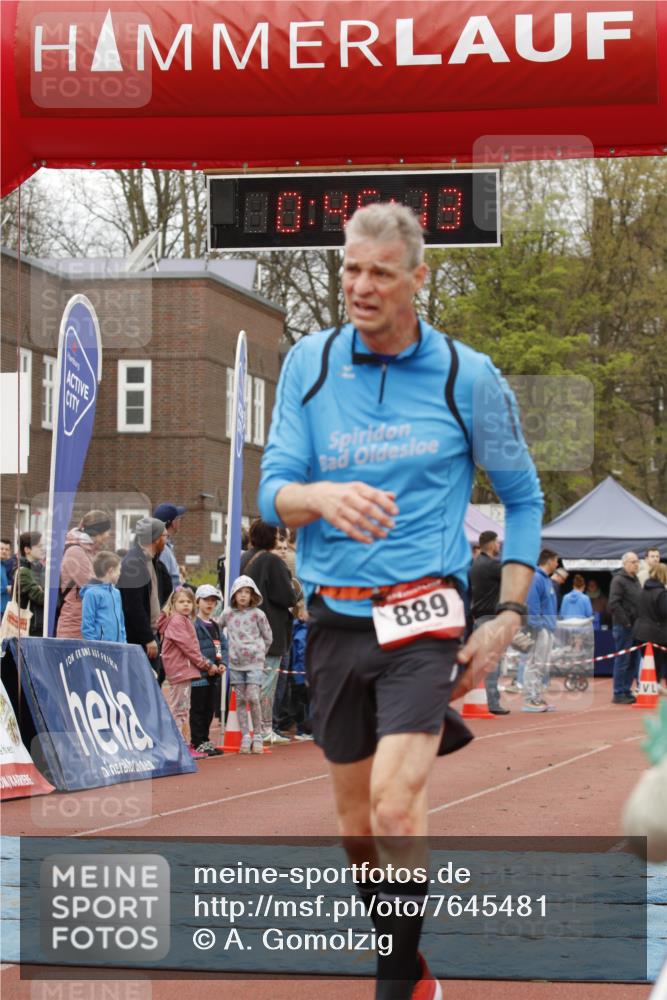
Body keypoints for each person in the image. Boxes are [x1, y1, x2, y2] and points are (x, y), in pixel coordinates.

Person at [258, 201, 543, 999]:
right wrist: (317, 496)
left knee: (392, 806)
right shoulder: (309, 364)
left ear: (418, 279)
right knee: (355, 828)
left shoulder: (466, 375)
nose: (360, 285)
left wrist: (508, 615)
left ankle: (395, 987)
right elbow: (271, 489)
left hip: (425, 614)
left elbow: (522, 499)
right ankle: (405, 956)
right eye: (350, 267)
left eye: (380, 272)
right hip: (335, 619)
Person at [241, 518, 297, 745]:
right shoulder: (272, 562)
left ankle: (251, 727)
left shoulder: (244, 557)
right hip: (269, 630)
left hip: (246, 628)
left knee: (251, 680)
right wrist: (296, 591)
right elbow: (286, 596)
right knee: (266, 682)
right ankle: (263, 728)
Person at [157, 587, 220, 758]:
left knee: (183, 709)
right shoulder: (177, 621)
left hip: (184, 670)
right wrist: (207, 665)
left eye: (188, 602)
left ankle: (182, 744)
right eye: (181, 602)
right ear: (173, 604)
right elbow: (190, 648)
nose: (186, 605)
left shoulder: (183, 621)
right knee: (179, 709)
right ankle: (176, 747)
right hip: (180, 670)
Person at [219, 575, 273, 755]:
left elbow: (268, 637)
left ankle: (257, 734)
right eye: (239, 592)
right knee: (241, 699)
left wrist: (260, 654)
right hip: (235, 664)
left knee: (253, 696)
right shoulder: (227, 613)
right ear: (234, 594)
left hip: (254, 663)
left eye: (247, 592)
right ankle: (245, 736)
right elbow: (216, 631)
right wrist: (223, 652)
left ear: (253, 595)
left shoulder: (259, 614)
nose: (243, 596)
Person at [118, 517, 169, 667]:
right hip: (140, 641)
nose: (166, 540)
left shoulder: (150, 560)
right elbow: (133, 606)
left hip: (151, 635)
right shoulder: (134, 564)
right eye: (164, 536)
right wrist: (147, 638)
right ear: (155, 538)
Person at [468, 530, 509, 715]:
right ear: (492, 544)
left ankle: (483, 700)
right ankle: (492, 702)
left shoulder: (475, 565)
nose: (499, 546)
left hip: (479, 618)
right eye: (497, 543)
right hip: (491, 618)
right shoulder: (493, 565)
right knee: (493, 663)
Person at [56, 510, 113, 638]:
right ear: (98, 532)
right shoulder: (75, 552)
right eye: (107, 531)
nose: (109, 535)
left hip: (85, 623)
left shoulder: (89, 551)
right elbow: (93, 587)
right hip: (74, 626)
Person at [192, 584, 228, 757]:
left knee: (209, 710)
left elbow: (222, 646)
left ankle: (205, 740)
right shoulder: (193, 625)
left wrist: (222, 663)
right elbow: (193, 650)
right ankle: (197, 741)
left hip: (214, 676)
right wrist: (208, 664)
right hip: (199, 675)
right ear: (198, 601)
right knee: (197, 709)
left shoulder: (216, 625)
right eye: (206, 600)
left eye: (213, 601)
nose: (210, 604)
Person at [522, 549, 559, 713]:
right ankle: (530, 698)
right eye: (556, 560)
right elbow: (532, 604)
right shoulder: (536, 578)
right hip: (540, 628)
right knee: (534, 663)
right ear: (549, 561)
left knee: (541, 665)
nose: (557, 564)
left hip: (547, 627)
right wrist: (536, 627)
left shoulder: (546, 580)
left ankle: (536, 695)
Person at [609, 552, 642, 704]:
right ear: (625, 564)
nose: (636, 564)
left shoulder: (635, 580)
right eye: (633, 562)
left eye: (637, 561)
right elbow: (614, 604)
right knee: (623, 660)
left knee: (633, 661)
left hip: (635, 627)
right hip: (624, 627)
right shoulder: (618, 580)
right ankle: (618, 692)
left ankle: (626, 690)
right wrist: (626, 622)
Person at [633, 562, 667, 688]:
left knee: (645, 661)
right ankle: (654, 686)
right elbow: (664, 612)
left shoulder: (642, 591)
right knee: (656, 663)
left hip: (640, 632)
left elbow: (635, 610)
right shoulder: (661, 593)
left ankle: (644, 687)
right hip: (657, 634)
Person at [80, 551, 126, 642]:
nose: (120, 573)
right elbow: (87, 625)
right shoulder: (91, 594)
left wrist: (124, 644)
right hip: (99, 650)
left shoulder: (116, 593)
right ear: (111, 571)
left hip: (117, 650)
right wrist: (94, 648)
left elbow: (121, 624)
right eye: (119, 570)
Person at [17, 531, 45, 636]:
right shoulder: (23, 571)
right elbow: (40, 597)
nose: (43, 549)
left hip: (39, 624)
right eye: (39, 546)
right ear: (27, 550)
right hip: (30, 627)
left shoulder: (41, 569)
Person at [153, 502, 186, 591]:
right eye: (178, 519)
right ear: (173, 523)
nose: (180, 522)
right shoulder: (163, 549)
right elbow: (164, 581)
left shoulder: (165, 546)